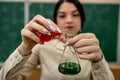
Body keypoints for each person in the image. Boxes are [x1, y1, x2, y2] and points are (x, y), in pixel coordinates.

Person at [0, 0, 115, 80]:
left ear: (82, 22)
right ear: (56, 21)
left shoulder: (91, 46)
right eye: (62, 15)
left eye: (75, 15)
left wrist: (98, 60)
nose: (69, 20)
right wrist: (25, 47)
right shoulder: (42, 46)